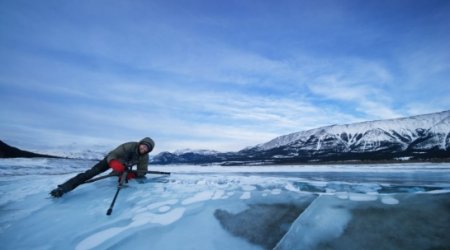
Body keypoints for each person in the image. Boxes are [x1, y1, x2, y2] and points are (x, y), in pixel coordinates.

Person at [50, 137, 155, 198]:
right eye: (143, 145)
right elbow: (113, 154)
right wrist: (114, 163)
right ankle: (63, 188)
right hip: (110, 161)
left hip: (124, 167)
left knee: (121, 176)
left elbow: (143, 171)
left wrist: (132, 174)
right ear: (140, 143)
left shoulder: (144, 156)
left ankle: (116, 174)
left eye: (147, 148)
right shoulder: (129, 146)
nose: (144, 148)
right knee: (90, 174)